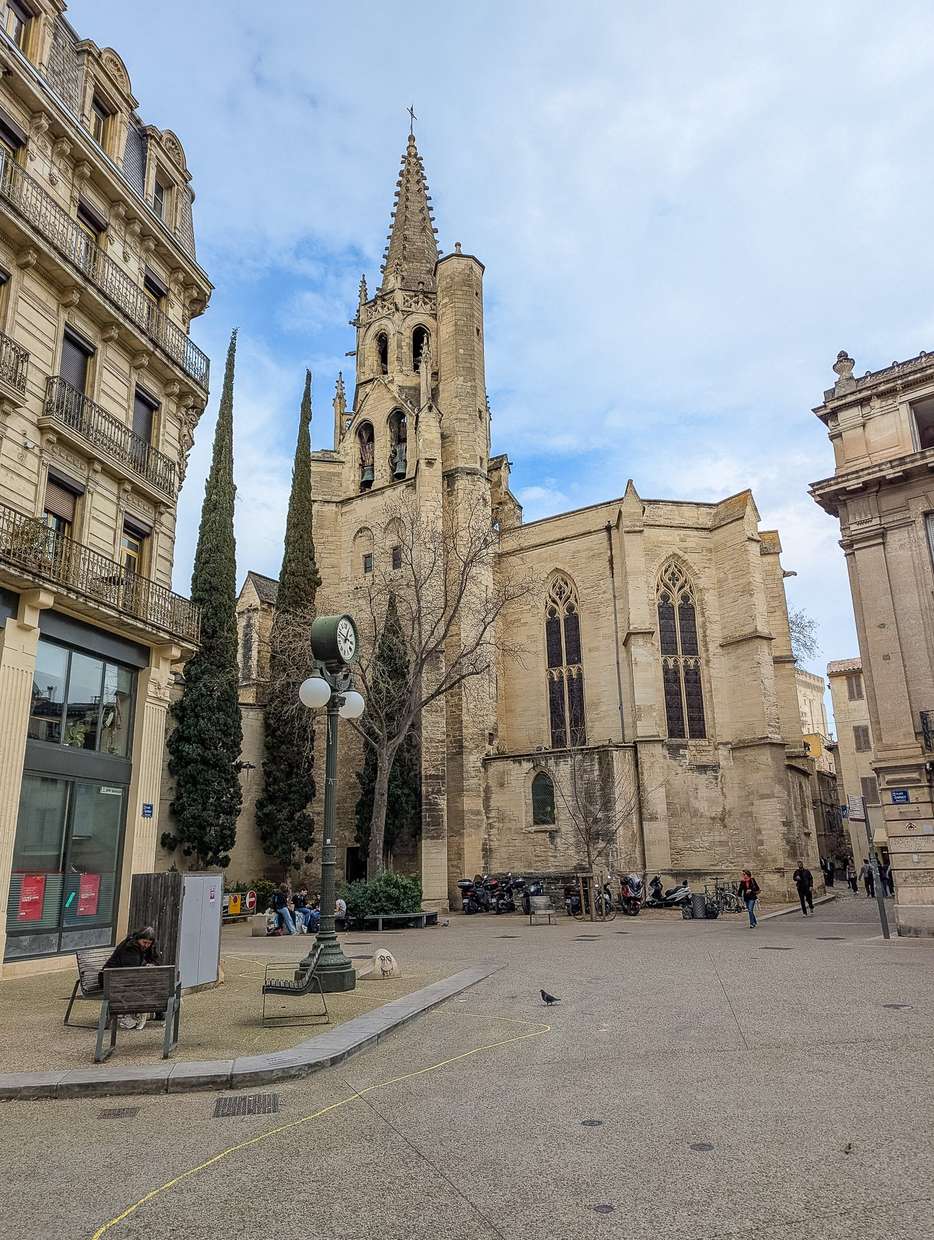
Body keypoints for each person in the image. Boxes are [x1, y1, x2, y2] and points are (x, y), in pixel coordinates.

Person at [101, 927, 160, 1030]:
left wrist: (151, 964)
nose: (146, 945)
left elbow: (154, 960)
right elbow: (131, 971)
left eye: (149, 943)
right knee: (147, 984)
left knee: (153, 982)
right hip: (110, 979)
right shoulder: (129, 948)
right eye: (144, 942)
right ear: (138, 939)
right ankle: (140, 1013)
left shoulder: (146, 948)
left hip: (124, 979)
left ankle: (155, 1011)